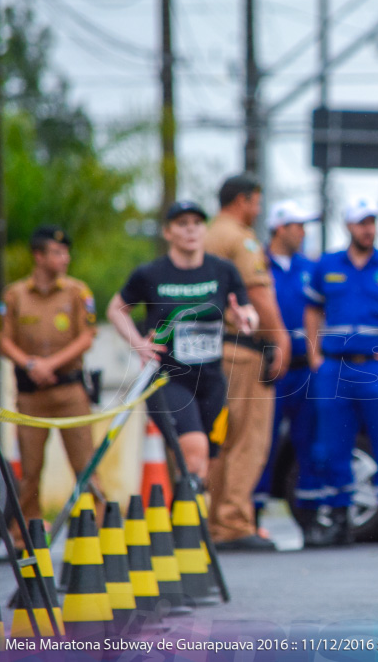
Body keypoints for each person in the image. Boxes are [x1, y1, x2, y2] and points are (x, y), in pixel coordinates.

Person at [108, 201, 257, 481]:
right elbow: (116, 309)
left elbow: (249, 313)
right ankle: (187, 521)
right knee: (194, 450)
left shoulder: (223, 271)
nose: (191, 230)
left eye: (197, 223)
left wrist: (243, 320)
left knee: (207, 464)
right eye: (182, 224)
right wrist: (139, 343)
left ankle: (187, 521)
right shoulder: (151, 274)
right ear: (168, 232)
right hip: (169, 377)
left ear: (205, 229)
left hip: (212, 378)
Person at [305, 198, 378, 546]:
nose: (368, 228)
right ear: (348, 226)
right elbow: (312, 311)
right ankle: (337, 519)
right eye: (361, 222)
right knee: (332, 447)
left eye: (372, 222)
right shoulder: (327, 265)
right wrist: (313, 354)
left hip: (377, 370)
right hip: (334, 369)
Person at [204, 173, 291, 552]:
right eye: (256, 202)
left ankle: (213, 519)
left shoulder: (206, 235)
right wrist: (280, 338)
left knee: (219, 439)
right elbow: (257, 292)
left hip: (209, 350)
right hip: (241, 351)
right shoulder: (241, 238)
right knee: (247, 438)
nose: (257, 210)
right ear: (242, 201)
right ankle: (234, 522)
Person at [0, 226, 97, 548]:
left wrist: (49, 364)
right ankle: (25, 535)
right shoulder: (15, 295)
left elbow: (86, 336)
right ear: (38, 256)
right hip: (30, 396)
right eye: (56, 252)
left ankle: (96, 532)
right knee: (30, 470)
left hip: (69, 391)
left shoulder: (77, 292)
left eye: (66, 252)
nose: (64, 258)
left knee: (86, 465)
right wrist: (30, 364)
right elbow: (3, 339)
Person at [252, 199, 324, 546]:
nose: (304, 232)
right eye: (298, 226)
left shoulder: (311, 268)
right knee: (259, 442)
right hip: (267, 369)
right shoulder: (257, 266)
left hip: (304, 371)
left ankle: (309, 521)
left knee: (308, 443)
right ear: (280, 228)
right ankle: (252, 517)